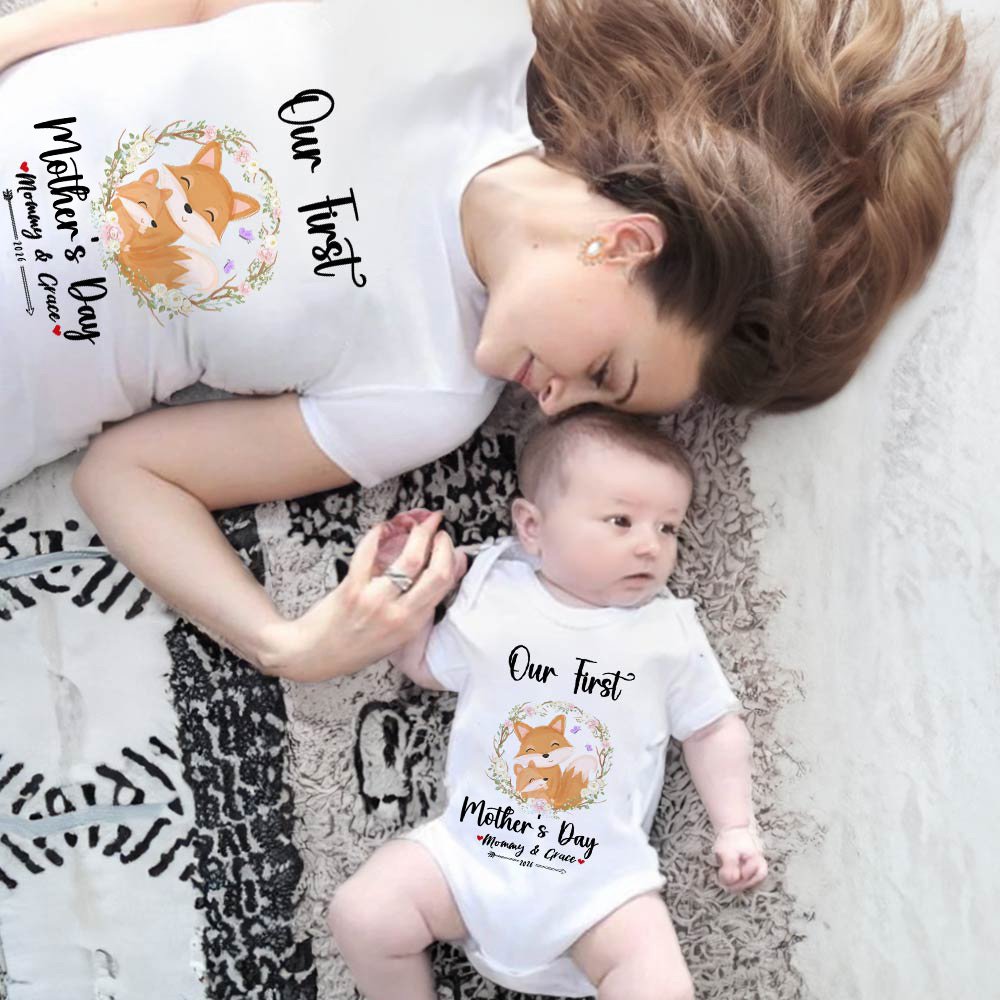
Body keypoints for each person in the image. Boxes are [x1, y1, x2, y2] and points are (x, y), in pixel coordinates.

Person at [0, 0, 978, 682]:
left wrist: (286, 644)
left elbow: (127, 475)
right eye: (604, 372)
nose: (555, 404)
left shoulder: (426, 396)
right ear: (626, 244)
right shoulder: (464, 29)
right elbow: (198, 7)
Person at [328, 405, 765, 1000]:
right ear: (532, 527)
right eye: (620, 521)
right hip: (468, 862)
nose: (650, 546)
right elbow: (425, 665)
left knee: (659, 985)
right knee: (361, 912)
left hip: (599, 891)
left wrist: (735, 826)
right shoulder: (495, 595)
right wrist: (406, 587)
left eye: (668, 528)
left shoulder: (667, 632)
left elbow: (712, 727)